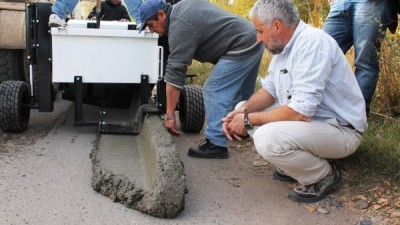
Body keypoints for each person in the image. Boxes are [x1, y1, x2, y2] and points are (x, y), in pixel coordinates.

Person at [222, 0, 368, 203]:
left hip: (341, 131)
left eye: (259, 31)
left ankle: (323, 175)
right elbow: (269, 91)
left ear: (276, 26)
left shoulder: (312, 43)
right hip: (316, 123)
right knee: (241, 109)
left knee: (266, 138)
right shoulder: (284, 48)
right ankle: (297, 163)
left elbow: (301, 111)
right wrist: (242, 112)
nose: (258, 38)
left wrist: (248, 120)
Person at [139, 0, 264, 159]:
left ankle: (216, 144)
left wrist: (170, 116)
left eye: (151, 25)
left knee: (213, 89)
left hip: (240, 44)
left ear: (162, 15)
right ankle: (245, 129)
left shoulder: (179, 26)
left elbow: (175, 74)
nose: (152, 30)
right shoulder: (182, 8)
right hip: (254, 37)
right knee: (243, 95)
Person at [323, 0, 399, 116]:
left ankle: (355, 118)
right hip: (341, 2)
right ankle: (317, 110)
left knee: (365, 63)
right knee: (321, 55)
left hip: (373, 3)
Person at [49, 0, 143, 27]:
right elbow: (92, 14)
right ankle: (143, 19)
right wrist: (92, 17)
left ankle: (57, 14)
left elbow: (126, 17)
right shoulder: (103, 5)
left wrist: (125, 20)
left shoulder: (122, 8)